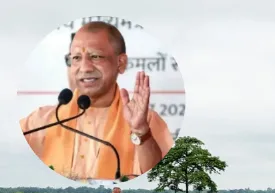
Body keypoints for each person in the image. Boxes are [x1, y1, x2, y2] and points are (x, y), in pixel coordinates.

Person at [19, 21, 174, 182]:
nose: (85, 67)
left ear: (120, 63)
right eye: (77, 58)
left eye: (95, 56)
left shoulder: (145, 121)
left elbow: (157, 179)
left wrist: (142, 133)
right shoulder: (42, 121)